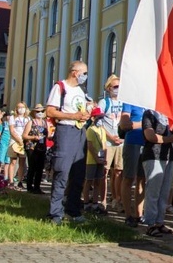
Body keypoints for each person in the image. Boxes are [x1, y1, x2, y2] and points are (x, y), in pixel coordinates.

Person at [46, 60, 92, 225]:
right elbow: (50, 111)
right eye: (84, 73)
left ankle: (73, 210)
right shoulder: (60, 87)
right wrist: (73, 116)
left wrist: (87, 112)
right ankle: (55, 214)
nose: (85, 76)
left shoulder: (81, 90)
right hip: (65, 131)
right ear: (75, 72)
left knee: (78, 174)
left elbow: (81, 109)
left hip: (80, 132)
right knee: (62, 173)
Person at [141, 107, 173, 236]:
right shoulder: (149, 113)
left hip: (169, 156)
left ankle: (159, 221)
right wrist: (171, 139)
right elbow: (150, 136)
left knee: (164, 192)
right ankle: (150, 223)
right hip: (153, 155)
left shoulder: (171, 113)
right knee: (153, 191)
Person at [98, 75, 124, 211]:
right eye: (115, 87)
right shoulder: (104, 103)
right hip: (107, 143)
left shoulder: (124, 102)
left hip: (121, 142)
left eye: (120, 86)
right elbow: (99, 123)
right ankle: (102, 200)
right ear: (109, 88)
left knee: (119, 171)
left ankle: (117, 199)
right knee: (105, 171)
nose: (118, 89)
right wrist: (110, 137)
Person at [120, 101, 146, 227]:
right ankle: (128, 215)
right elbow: (124, 124)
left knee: (142, 180)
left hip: (147, 144)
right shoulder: (130, 101)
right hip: (133, 142)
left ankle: (139, 214)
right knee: (129, 178)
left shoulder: (151, 100)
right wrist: (143, 124)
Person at [84, 107, 109, 214]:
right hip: (91, 160)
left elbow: (104, 145)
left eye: (102, 118)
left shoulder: (102, 130)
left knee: (98, 181)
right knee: (89, 180)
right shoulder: (90, 130)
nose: (101, 120)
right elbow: (90, 146)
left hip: (100, 160)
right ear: (94, 118)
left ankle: (95, 202)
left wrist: (104, 159)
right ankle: (86, 202)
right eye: (99, 117)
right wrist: (97, 158)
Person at [23, 103, 48, 194]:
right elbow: (24, 135)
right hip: (32, 147)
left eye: (42, 111)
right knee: (32, 167)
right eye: (38, 111)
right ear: (34, 112)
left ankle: (37, 187)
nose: (40, 113)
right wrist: (33, 137)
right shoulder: (31, 122)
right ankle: (30, 187)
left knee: (40, 168)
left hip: (41, 147)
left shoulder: (45, 123)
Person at [8, 101, 30, 190]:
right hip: (14, 141)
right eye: (19, 107)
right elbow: (12, 130)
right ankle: (11, 181)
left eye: (22, 107)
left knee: (22, 162)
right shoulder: (13, 118)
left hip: (23, 142)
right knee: (13, 162)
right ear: (16, 109)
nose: (21, 109)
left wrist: (24, 140)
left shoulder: (27, 119)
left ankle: (20, 181)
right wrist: (18, 139)